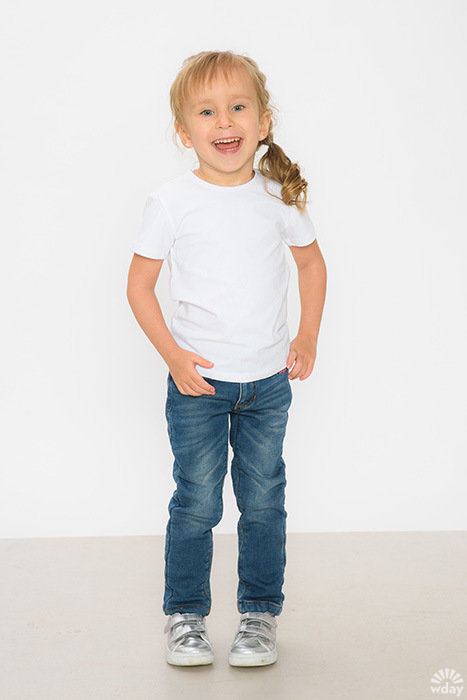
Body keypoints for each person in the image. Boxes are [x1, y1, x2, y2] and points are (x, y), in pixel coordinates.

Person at [127, 50, 327, 667]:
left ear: (262, 122)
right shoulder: (171, 201)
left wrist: (307, 335)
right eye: (207, 112)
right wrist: (174, 357)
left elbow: (311, 265)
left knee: (263, 500)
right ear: (185, 133)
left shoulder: (277, 197)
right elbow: (139, 287)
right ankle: (185, 616)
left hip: (268, 382)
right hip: (200, 386)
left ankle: (259, 616)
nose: (224, 121)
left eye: (238, 107)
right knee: (197, 501)